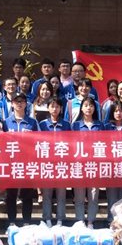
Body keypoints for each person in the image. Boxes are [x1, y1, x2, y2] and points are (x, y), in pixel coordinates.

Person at [2, 92, 39, 225]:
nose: (19, 104)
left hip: (27, 163)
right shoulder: (5, 123)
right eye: (16, 101)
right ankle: (12, 222)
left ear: (26, 104)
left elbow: (39, 140)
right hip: (11, 163)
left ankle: (26, 222)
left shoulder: (32, 122)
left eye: (22, 101)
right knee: (11, 194)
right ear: (12, 104)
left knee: (27, 194)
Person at [39, 97, 72, 227]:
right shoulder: (42, 124)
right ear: (48, 108)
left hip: (61, 163)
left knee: (61, 193)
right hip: (47, 163)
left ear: (61, 108)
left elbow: (70, 143)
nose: (54, 109)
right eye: (52, 106)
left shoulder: (66, 125)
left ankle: (60, 219)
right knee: (47, 193)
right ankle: (47, 218)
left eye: (57, 106)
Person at [72, 96, 104, 229]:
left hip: (95, 164)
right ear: (81, 108)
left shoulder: (100, 125)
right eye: (85, 105)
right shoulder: (75, 125)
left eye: (91, 105)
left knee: (93, 195)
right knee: (79, 196)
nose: (88, 108)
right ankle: (80, 221)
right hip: (80, 164)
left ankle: (91, 221)